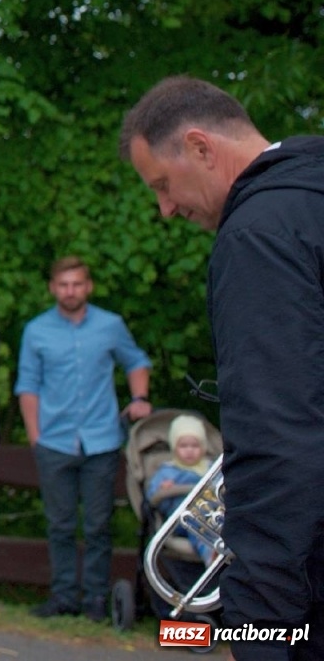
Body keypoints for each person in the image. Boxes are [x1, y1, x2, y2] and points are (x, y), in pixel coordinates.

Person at [122, 75, 324, 658]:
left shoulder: (260, 235)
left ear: (202, 147)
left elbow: (280, 436)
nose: (164, 209)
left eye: (162, 184)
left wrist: (257, 622)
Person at [15, 256, 152, 621]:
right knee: (59, 524)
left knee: (98, 525)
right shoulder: (36, 330)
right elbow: (27, 385)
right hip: (54, 442)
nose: (70, 291)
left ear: (88, 286)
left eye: (77, 284)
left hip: (101, 440)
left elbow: (136, 361)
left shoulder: (110, 325)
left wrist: (139, 399)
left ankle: (95, 600)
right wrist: (35, 437)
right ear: (52, 288)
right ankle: (63, 597)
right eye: (63, 284)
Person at [145, 414, 216, 564]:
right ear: (174, 447)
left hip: (214, 515)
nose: (189, 451)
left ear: (203, 447)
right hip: (182, 519)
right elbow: (153, 498)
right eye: (183, 446)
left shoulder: (211, 469)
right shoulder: (167, 472)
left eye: (195, 446)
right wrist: (163, 489)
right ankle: (211, 555)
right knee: (197, 523)